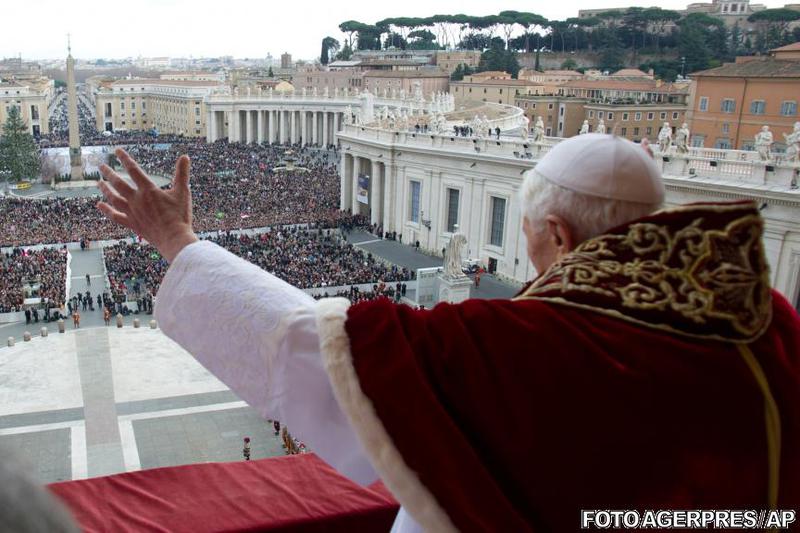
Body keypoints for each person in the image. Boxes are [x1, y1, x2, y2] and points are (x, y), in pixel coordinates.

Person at [97, 142, 800, 531]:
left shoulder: (522, 342)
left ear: (557, 235)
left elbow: (326, 358)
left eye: (527, 236)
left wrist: (178, 241)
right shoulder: (770, 324)